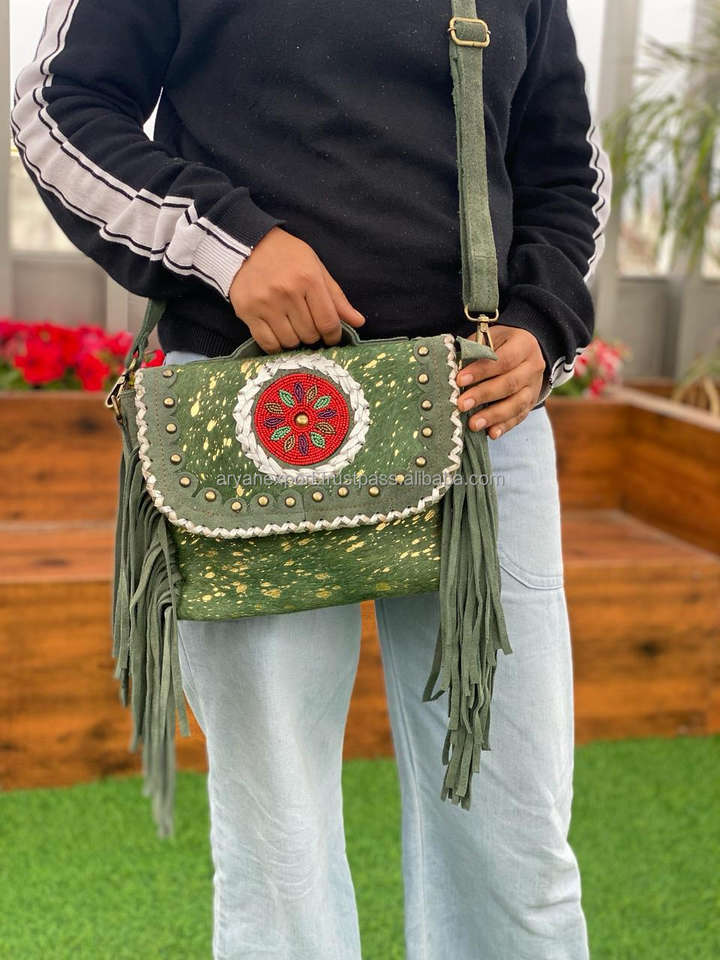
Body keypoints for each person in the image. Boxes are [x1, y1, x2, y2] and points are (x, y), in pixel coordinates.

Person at [12, 1, 611, 957]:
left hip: (480, 415)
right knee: (277, 846)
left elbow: (565, 167)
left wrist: (544, 324)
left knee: (517, 839)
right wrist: (232, 248)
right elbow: (58, 110)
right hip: (249, 414)